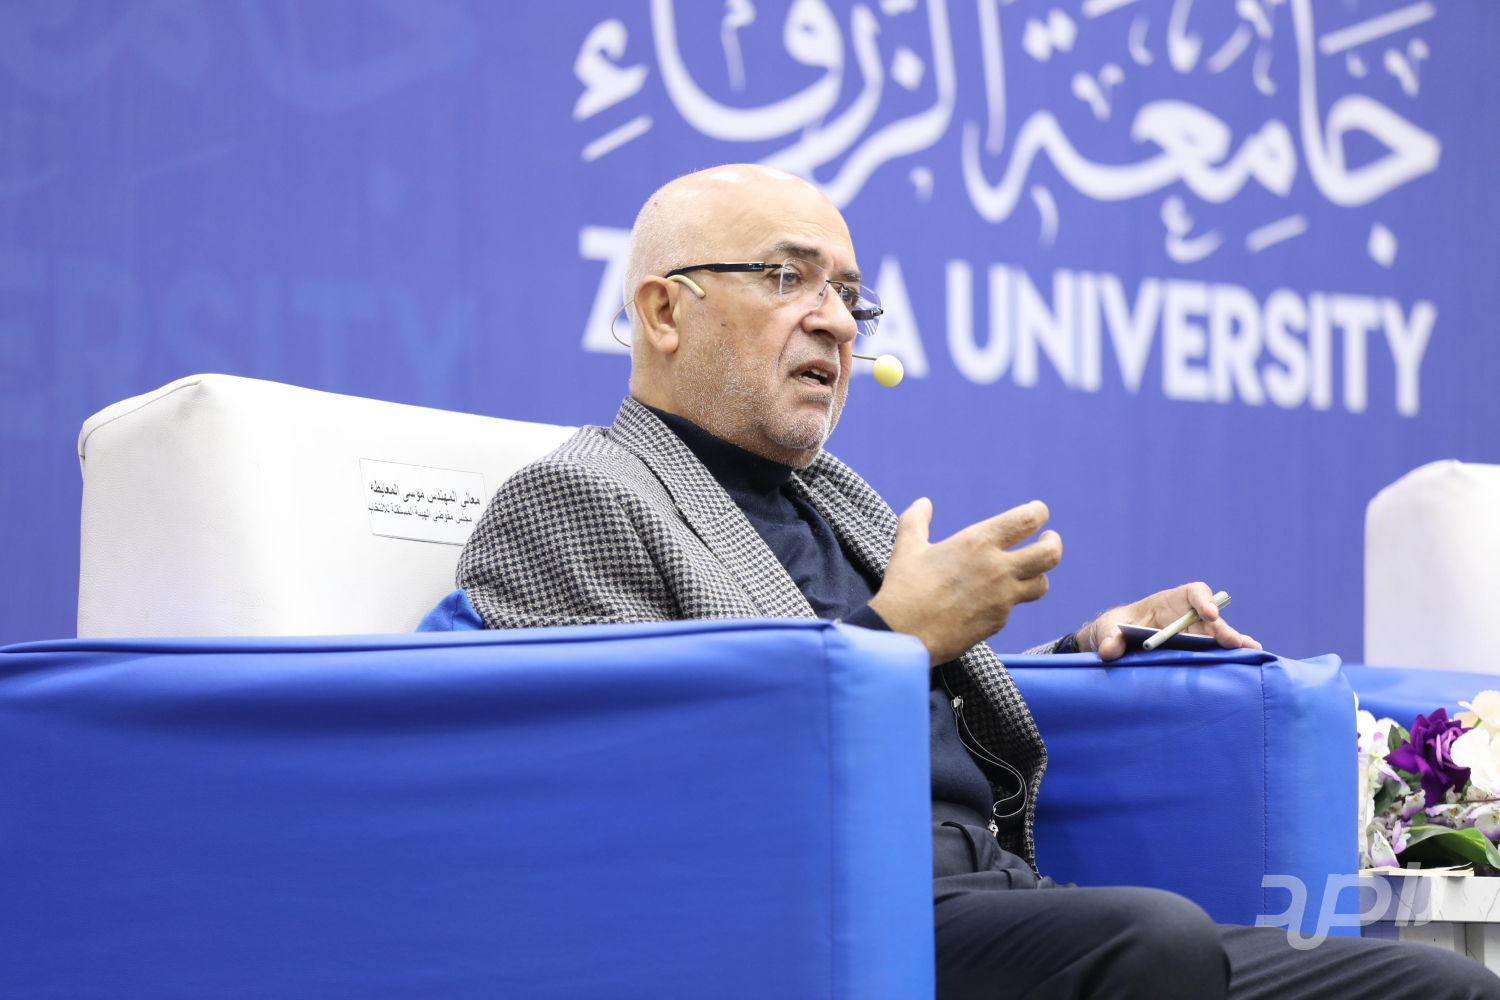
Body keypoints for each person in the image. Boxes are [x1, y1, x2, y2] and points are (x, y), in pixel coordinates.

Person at [456, 164, 1497, 999]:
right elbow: (630, 794)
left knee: (1435, 983)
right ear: (662, 310)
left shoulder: (836, 497)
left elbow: (923, 708)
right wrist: (897, 636)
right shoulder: (577, 499)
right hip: (814, 917)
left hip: (989, 887)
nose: (837, 322)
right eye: (787, 279)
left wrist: (1090, 649)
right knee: (1151, 939)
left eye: (849, 296)